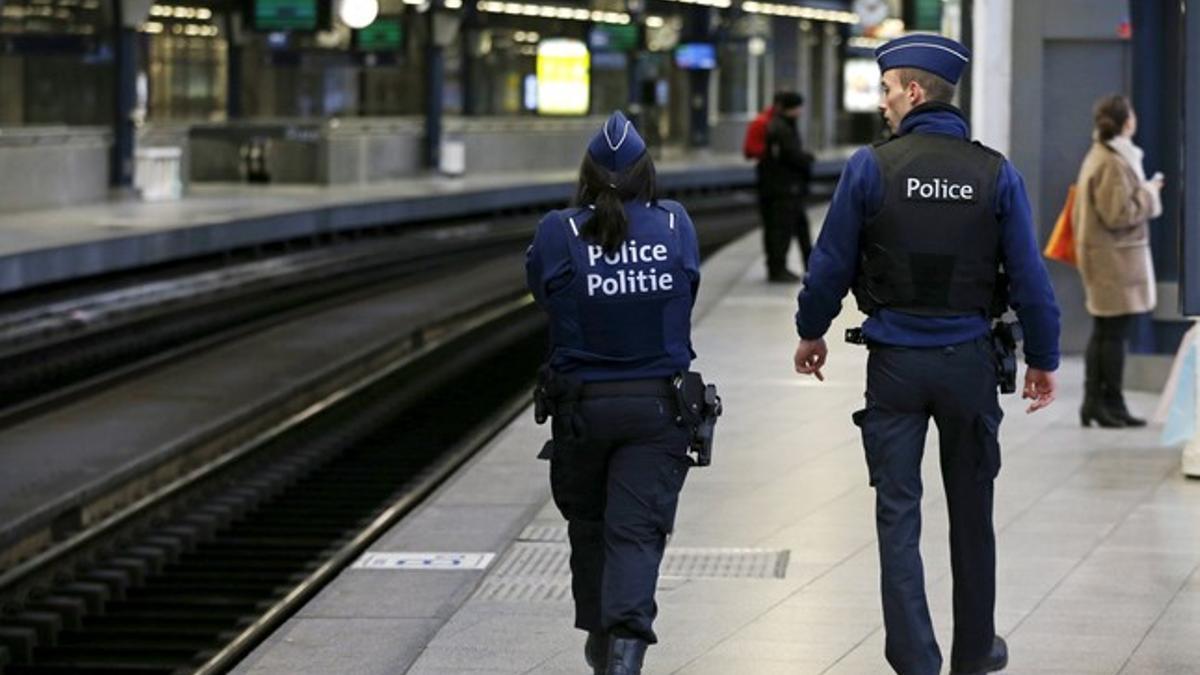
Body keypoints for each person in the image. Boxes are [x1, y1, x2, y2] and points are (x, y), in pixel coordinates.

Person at [791, 35, 1061, 675]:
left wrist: (811, 329)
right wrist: (1043, 358)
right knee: (974, 512)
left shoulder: (869, 168)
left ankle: (915, 658)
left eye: (887, 90)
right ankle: (974, 652)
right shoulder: (995, 171)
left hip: (895, 368)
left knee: (897, 514)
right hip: (968, 358)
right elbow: (1030, 277)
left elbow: (829, 264)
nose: (882, 104)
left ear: (913, 92)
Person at [525, 111, 701, 675]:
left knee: (591, 529)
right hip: (657, 407)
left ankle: (601, 648)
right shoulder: (675, 225)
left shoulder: (560, 230)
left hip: (581, 411)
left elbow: (540, 291)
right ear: (648, 172)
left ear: (586, 173)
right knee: (636, 532)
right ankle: (623, 661)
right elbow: (688, 287)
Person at [1073, 94, 1163, 428]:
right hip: (1114, 260)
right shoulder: (1111, 161)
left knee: (1106, 332)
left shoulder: (1105, 155)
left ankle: (1096, 403)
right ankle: (1108, 403)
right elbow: (1118, 213)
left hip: (1109, 257)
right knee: (1112, 334)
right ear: (1126, 121)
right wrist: (1150, 192)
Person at [759, 91, 815, 282]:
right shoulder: (781, 128)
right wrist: (807, 159)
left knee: (798, 228)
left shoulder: (779, 125)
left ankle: (809, 266)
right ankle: (778, 269)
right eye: (798, 107)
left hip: (785, 188)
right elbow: (790, 156)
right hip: (784, 189)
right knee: (782, 230)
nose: (800, 111)